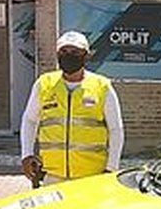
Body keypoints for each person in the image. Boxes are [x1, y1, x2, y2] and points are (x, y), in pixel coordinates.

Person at [20, 31, 124, 186]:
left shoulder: (102, 86)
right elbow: (30, 120)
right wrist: (27, 154)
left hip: (92, 177)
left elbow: (116, 129)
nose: (69, 55)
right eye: (64, 51)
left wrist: (111, 168)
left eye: (75, 52)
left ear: (86, 56)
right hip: (52, 176)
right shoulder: (44, 84)